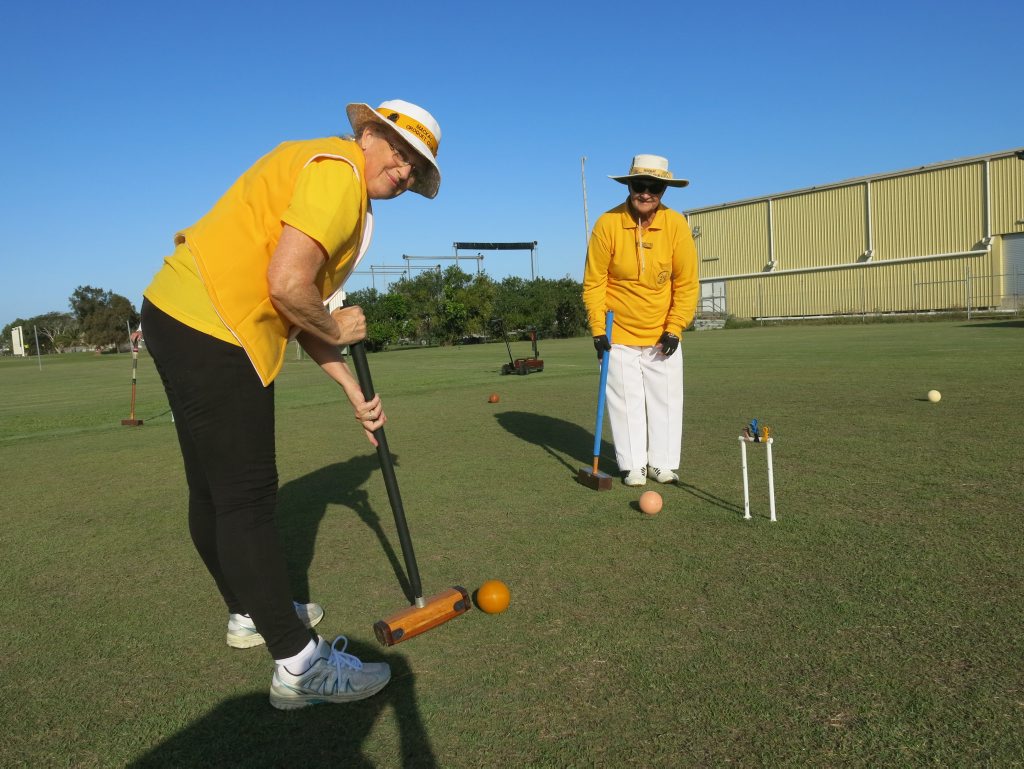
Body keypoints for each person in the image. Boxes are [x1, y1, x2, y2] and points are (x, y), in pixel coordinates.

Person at [139, 99, 442, 709]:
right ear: (369, 135)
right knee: (247, 497)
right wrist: (339, 330)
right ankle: (298, 664)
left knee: (216, 492)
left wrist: (355, 393)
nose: (405, 172)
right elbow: (287, 288)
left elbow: (300, 308)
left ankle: (251, 611)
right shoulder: (339, 175)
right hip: (216, 327)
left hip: (180, 312)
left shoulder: (328, 172)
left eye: (417, 167)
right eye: (400, 152)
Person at [582, 154, 699, 487]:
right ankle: (632, 465)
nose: (646, 193)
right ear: (629, 186)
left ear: (663, 190)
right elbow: (594, 282)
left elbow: (686, 283)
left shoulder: (676, 225)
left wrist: (675, 329)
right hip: (617, 331)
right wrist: (595, 330)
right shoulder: (607, 224)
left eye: (655, 187)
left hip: (662, 333)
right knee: (625, 402)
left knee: (665, 399)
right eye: (639, 185)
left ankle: (661, 463)